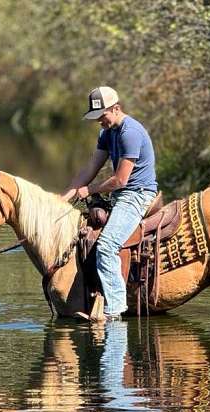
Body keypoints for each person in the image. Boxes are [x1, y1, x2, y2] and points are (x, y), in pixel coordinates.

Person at [61, 86, 158, 320]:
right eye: (96, 117)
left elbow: (121, 180)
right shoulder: (107, 133)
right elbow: (91, 168)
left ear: (116, 108)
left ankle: (114, 309)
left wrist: (89, 190)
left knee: (106, 246)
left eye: (102, 116)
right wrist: (64, 197)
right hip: (120, 196)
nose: (99, 122)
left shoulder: (130, 132)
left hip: (138, 195)